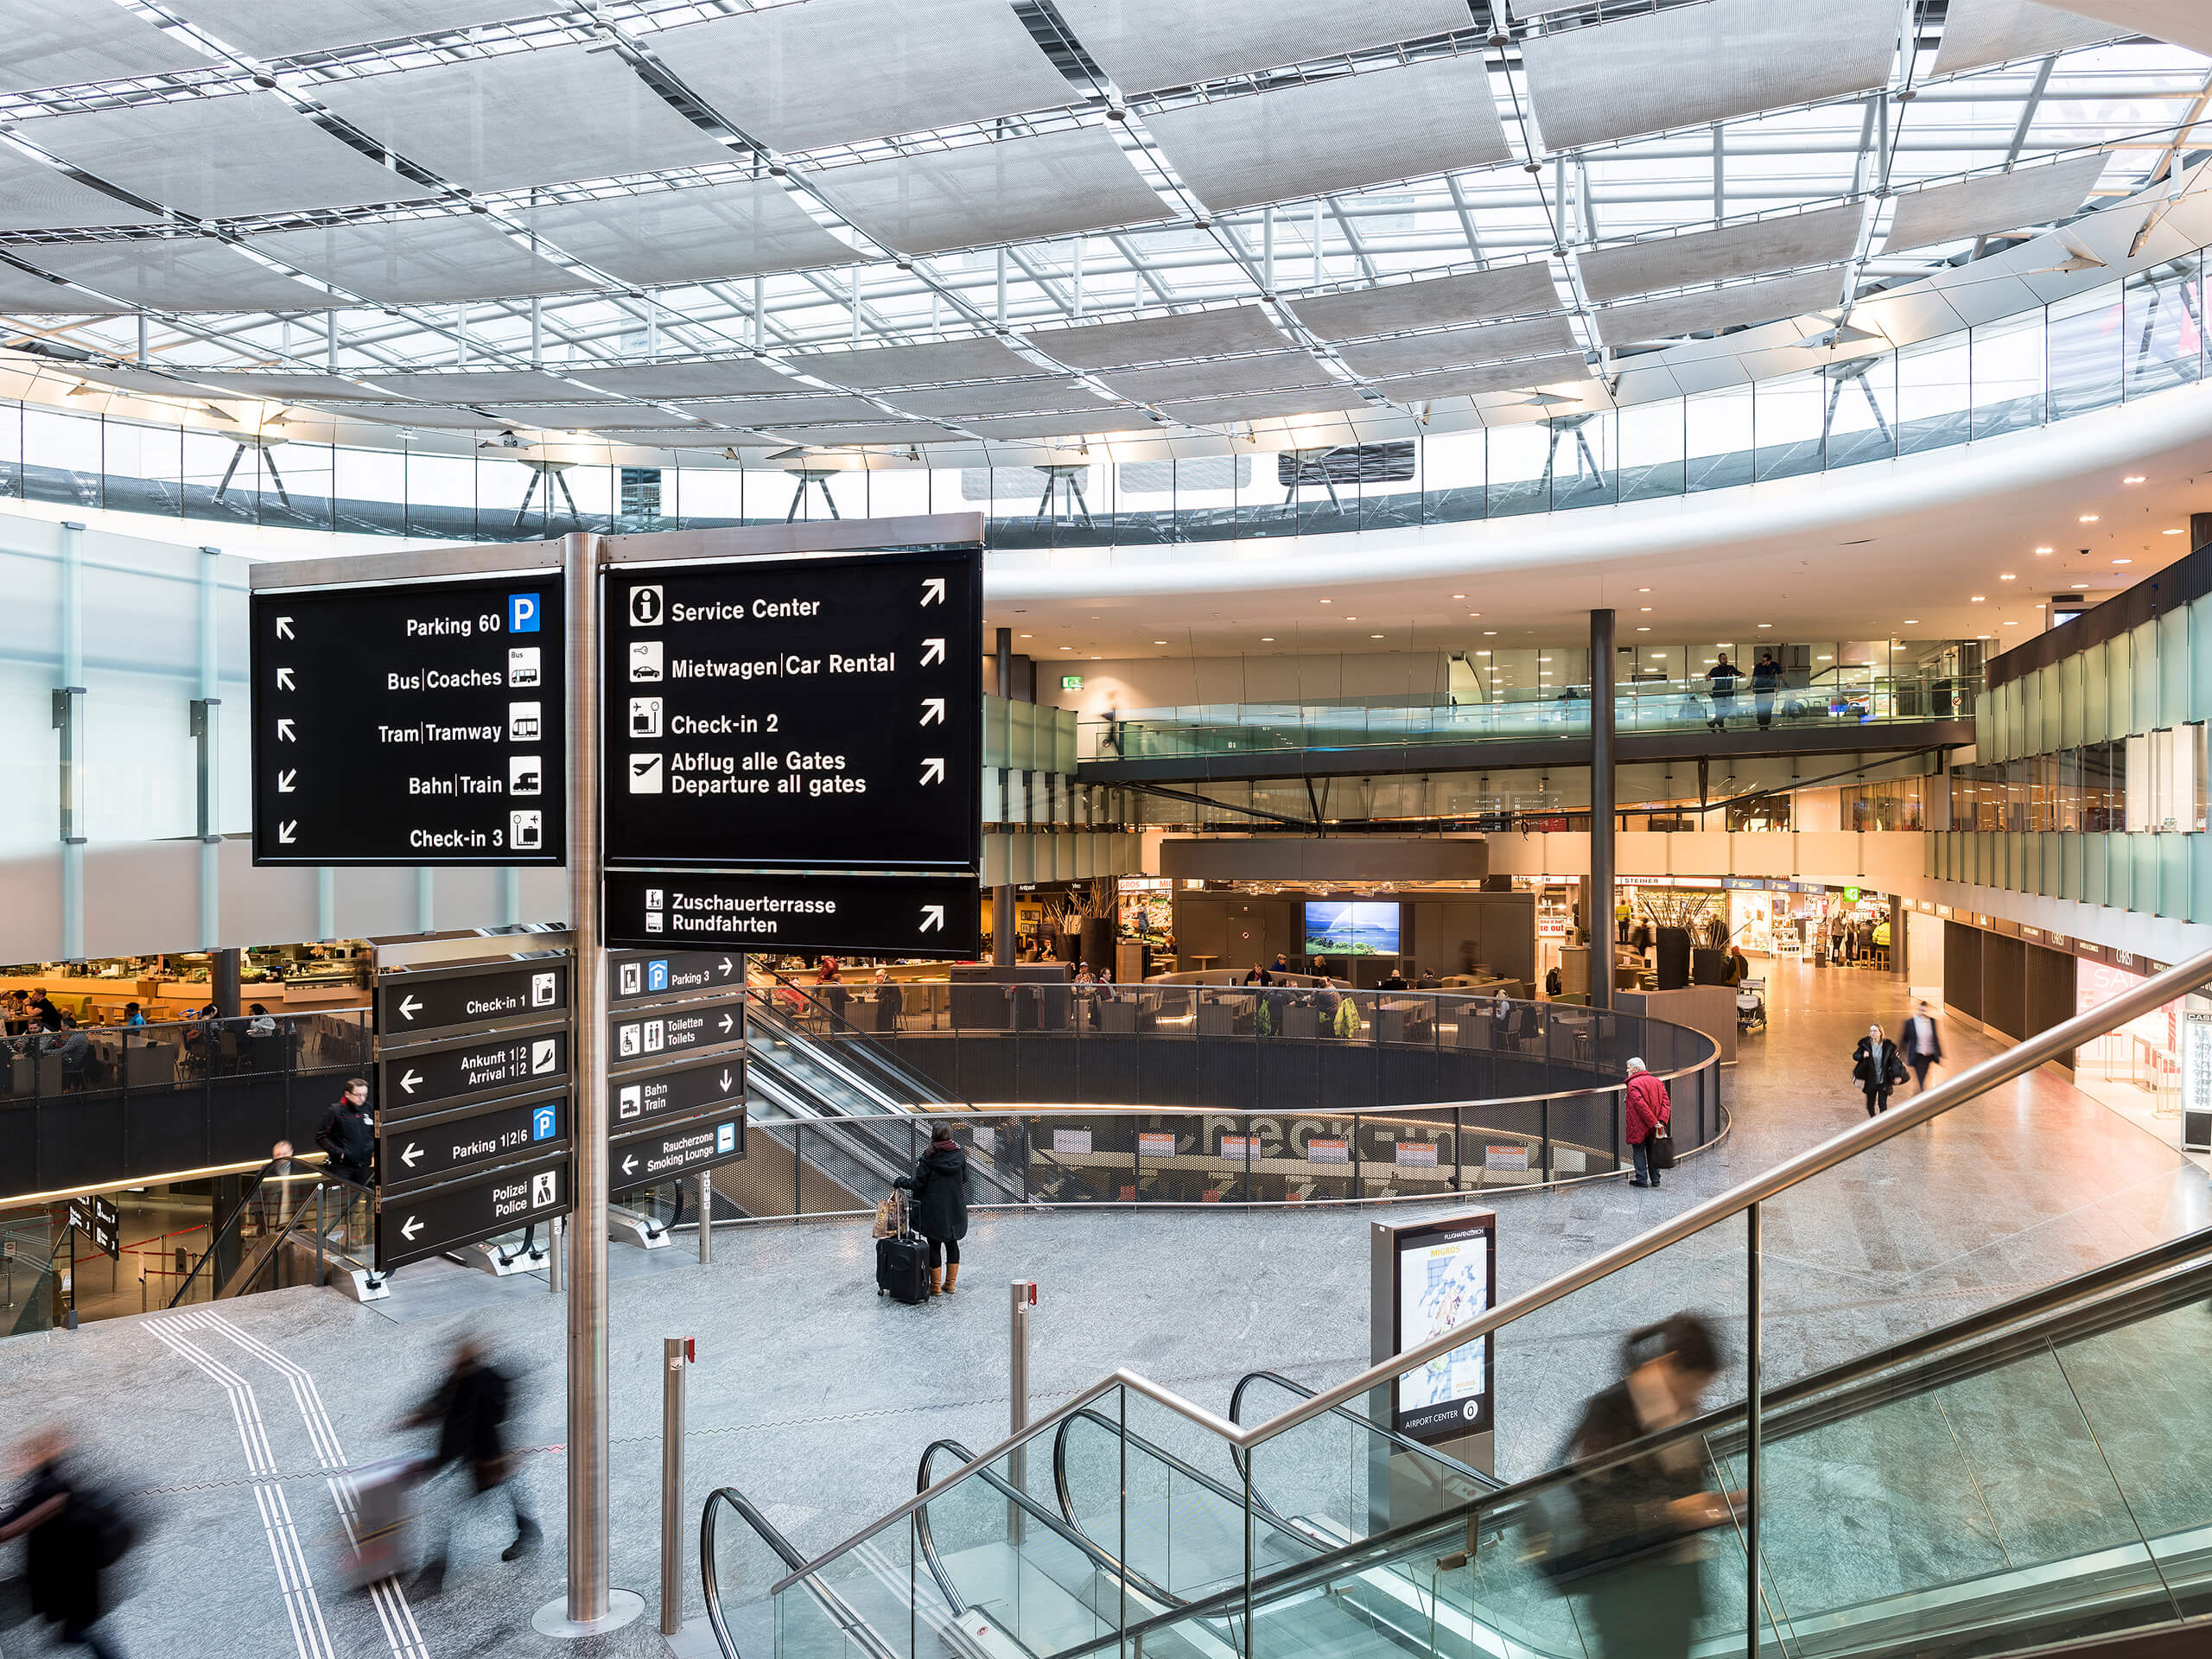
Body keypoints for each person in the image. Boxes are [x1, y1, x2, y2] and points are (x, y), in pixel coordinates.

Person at [1564, 1315, 1738, 1659]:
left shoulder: (1681, 1411)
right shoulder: (1609, 1414)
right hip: (1628, 1601)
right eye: (1694, 1385)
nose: (1698, 1396)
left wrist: (1720, 1507)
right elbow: (1590, 1513)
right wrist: (1672, 1512)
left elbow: (1686, 1485)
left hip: (1675, 1597)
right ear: (1670, 1364)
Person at [399, 1338, 538, 1595]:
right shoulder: (458, 1379)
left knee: (451, 1512)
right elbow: (440, 1404)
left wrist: (494, 1461)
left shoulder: (482, 1382)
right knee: (503, 1494)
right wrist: (416, 1417)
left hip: (485, 1456)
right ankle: (528, 1531)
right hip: (471, 1457)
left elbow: (486, 1418)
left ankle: (435, 1572)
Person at [0, 1425, 131, 1659]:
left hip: (64, 1583)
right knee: (79, 1629)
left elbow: (7, 1530)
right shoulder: (62, 1482)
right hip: (82, 1581)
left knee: (78, 1631)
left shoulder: (46, 1492)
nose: (14, 1461)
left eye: (23, 1454)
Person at [893, 1124, 969, 1296]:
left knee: (934, 1245)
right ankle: (950, 1284)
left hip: (934, 1211)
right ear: (949, 1136)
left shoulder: (928, 1159)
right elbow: (964, 1179)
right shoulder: (960, 1156)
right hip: (954, 1209)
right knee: (952, 1243)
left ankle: (935, 1287)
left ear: (933, 1136)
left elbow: (918, 1184)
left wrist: (900, 1181)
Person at [317, 1077, 375, 1187]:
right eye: (358, 1095)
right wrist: (340, 1153)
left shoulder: (368, 1108)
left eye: (365, 1095)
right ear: (347, 1094)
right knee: (340, 1199)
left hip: (363, 1165)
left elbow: (374, 1131)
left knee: (359, 1196)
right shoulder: (335, 1111)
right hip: (342, 1167)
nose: (362, 1098)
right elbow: (321, 1137)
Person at [1624, 1058, 1670, 1188]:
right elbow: (1666, 1103)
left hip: (1639, 1125)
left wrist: (1654, 1122)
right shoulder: (1657, 1082)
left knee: (1638, 1151)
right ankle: (1656, 1179)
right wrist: (1661, 1121)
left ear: (1636, 1069)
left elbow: (1641, 1106)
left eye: (1628, 1068)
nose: (1627, 1070)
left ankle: (1641, 1179)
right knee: (1653, 1150)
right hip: (1655, 1125)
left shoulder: (1633, 1084)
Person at [1852, 1023, 1905, 1116]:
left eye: (1875, 1031)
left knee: (1882, 1105)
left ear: (1881, 1032)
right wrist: (1862, 1055)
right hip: (1870, 1080)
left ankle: (1882, 1124)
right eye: (1871, 1031)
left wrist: (1897, 1075)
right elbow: (1855, 1056)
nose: (1872, 1033)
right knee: (1870, 1105)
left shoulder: (1888, 1046)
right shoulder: (1865, 1044)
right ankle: (1874, 1120)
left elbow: (1895, 1062)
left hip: (1883, 1080)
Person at [1900, 1000, 1942, 1093]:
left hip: (1928, 1056)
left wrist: (1939, 1053)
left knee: (1923, 1077)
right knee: (1921, 1077)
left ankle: (1919, 1093)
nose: (1923, 1013)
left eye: (1925, 1010)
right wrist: (1902, 1055)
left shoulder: (1932, 1022)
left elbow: (1935, 1038)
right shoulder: (1910, 1023)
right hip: (1917, 1056)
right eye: (1921, 1010)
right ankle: (1921, 1094)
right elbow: (1904, 1040)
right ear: (1918, 1010)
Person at [1704, 652, 1741, 731]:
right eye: (1723, 658)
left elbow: (1737, 673)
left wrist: (1741, 674)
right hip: (1719, 693)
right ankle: (1721, 728)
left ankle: (1713, 723)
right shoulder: (1715, 670)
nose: (1725, 660)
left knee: (1727, 709)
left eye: (1726, 658)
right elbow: (1709, 676)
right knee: (1720, 710)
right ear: (1720, 660)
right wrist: (1708, 677)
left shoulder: (1730, 668)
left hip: (1727, 692)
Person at [1751, 651, 1781, 730]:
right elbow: (1755, 677)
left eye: (1764, 661)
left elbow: (1778, 676)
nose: (1763, 662)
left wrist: (1777, 686)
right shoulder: (1759, 667)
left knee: (1767, 708)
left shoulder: (1774, 666)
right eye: (1762, 660)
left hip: (1768, 691)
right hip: (1761, 691)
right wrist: (1751, 685)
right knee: (1761, 708)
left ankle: (1765, 725)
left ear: (1769, 661)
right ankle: (1762, 724)